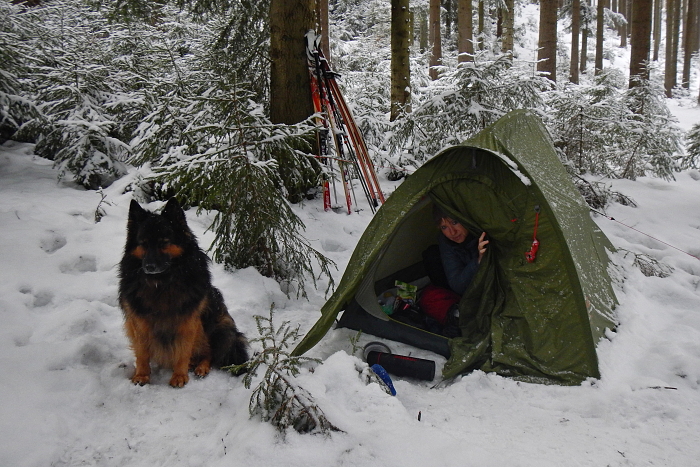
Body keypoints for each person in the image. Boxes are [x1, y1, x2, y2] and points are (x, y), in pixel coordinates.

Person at [433, 205, 489, 296]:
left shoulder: (483, 231)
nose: (452, 232)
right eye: (444, 227)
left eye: (455, 222)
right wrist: (478, 261)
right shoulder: (446, 242)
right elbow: (457, 285)